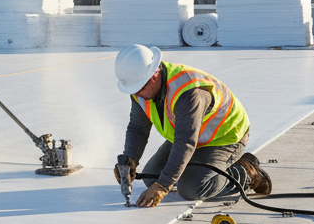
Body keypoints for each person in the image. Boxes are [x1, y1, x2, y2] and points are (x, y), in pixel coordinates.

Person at [113, 44, 272, 207]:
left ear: (154, 74)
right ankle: (204, 170)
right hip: (191, 135)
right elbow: (138, 128)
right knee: (151, 178)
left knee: (192, 189)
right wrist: (130, 158)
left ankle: (245, 172)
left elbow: (185, 143)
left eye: (139, 88)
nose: (137, 94)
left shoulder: (188, 92)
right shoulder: (140, 92)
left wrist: (163, 186)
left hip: (225, 136)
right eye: (133, 90)